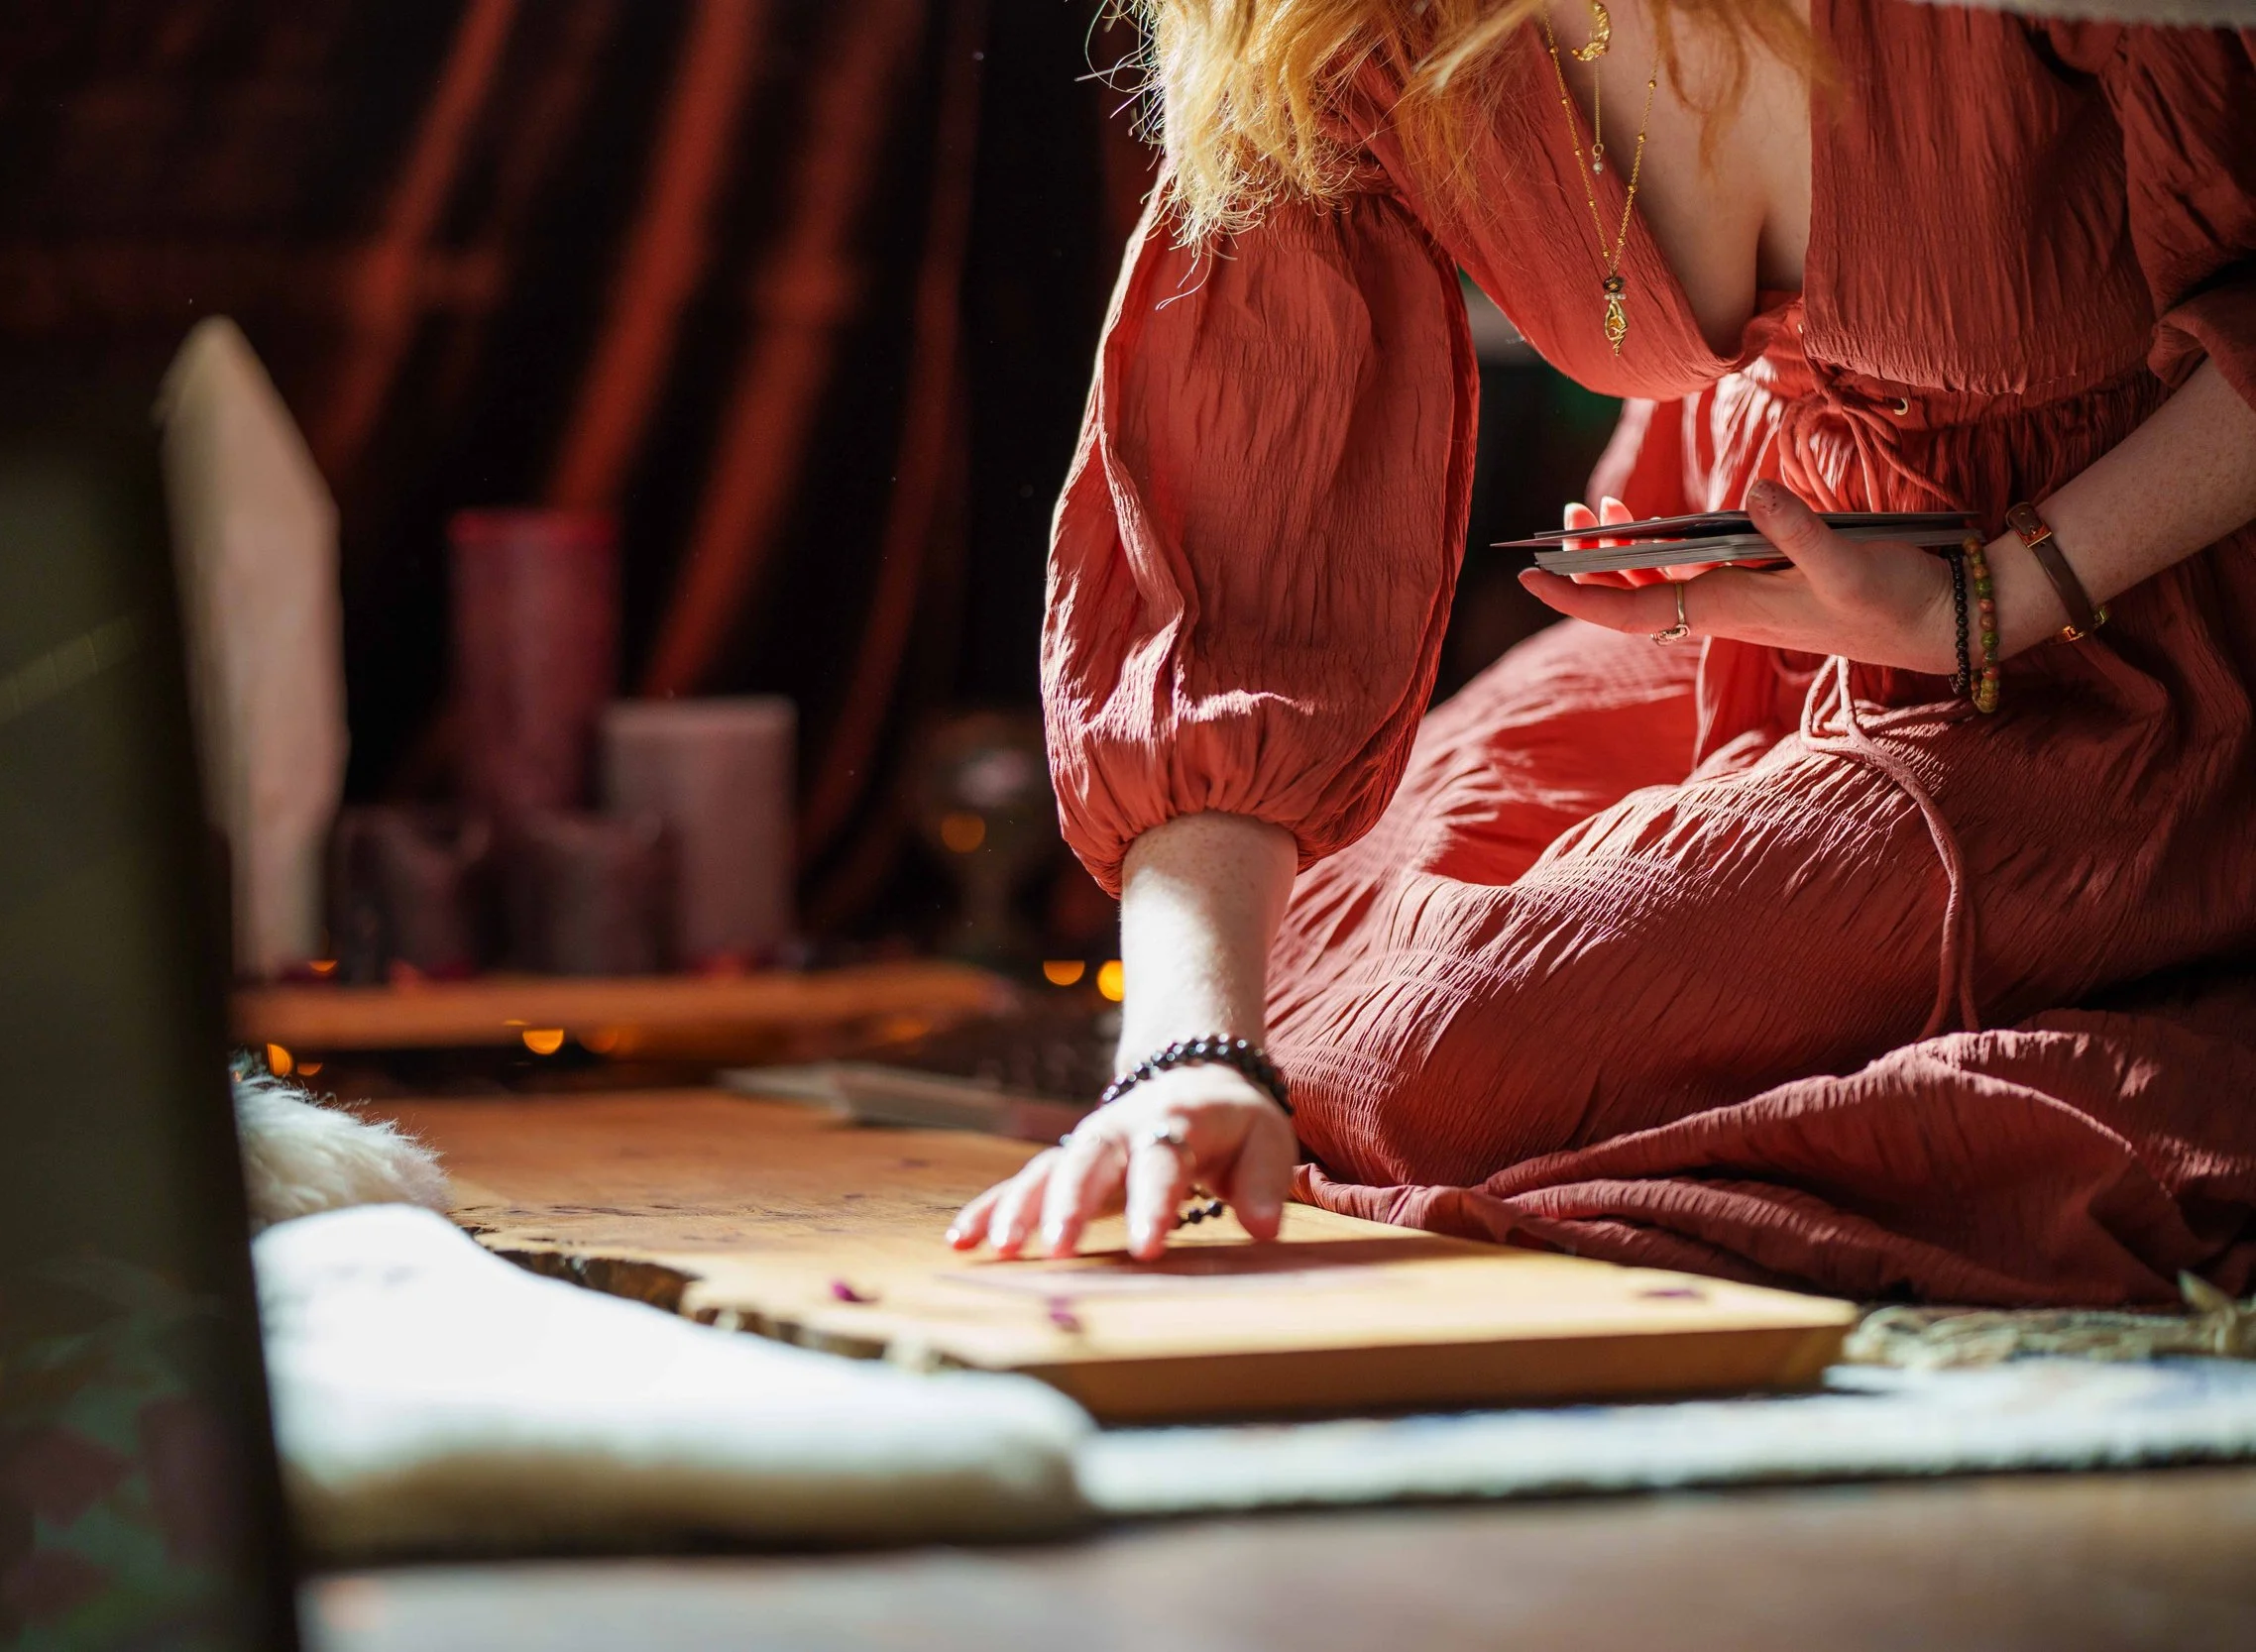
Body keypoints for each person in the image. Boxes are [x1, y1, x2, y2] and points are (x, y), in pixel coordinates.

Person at [948, 0, 2256, 1304]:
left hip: (2136, 637)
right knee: (1291, 968)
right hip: (1765, 619)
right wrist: (1186, 1052)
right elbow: (1234, 577)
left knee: (1438, 1056)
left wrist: (1997, 595)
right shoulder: (1317, 27)